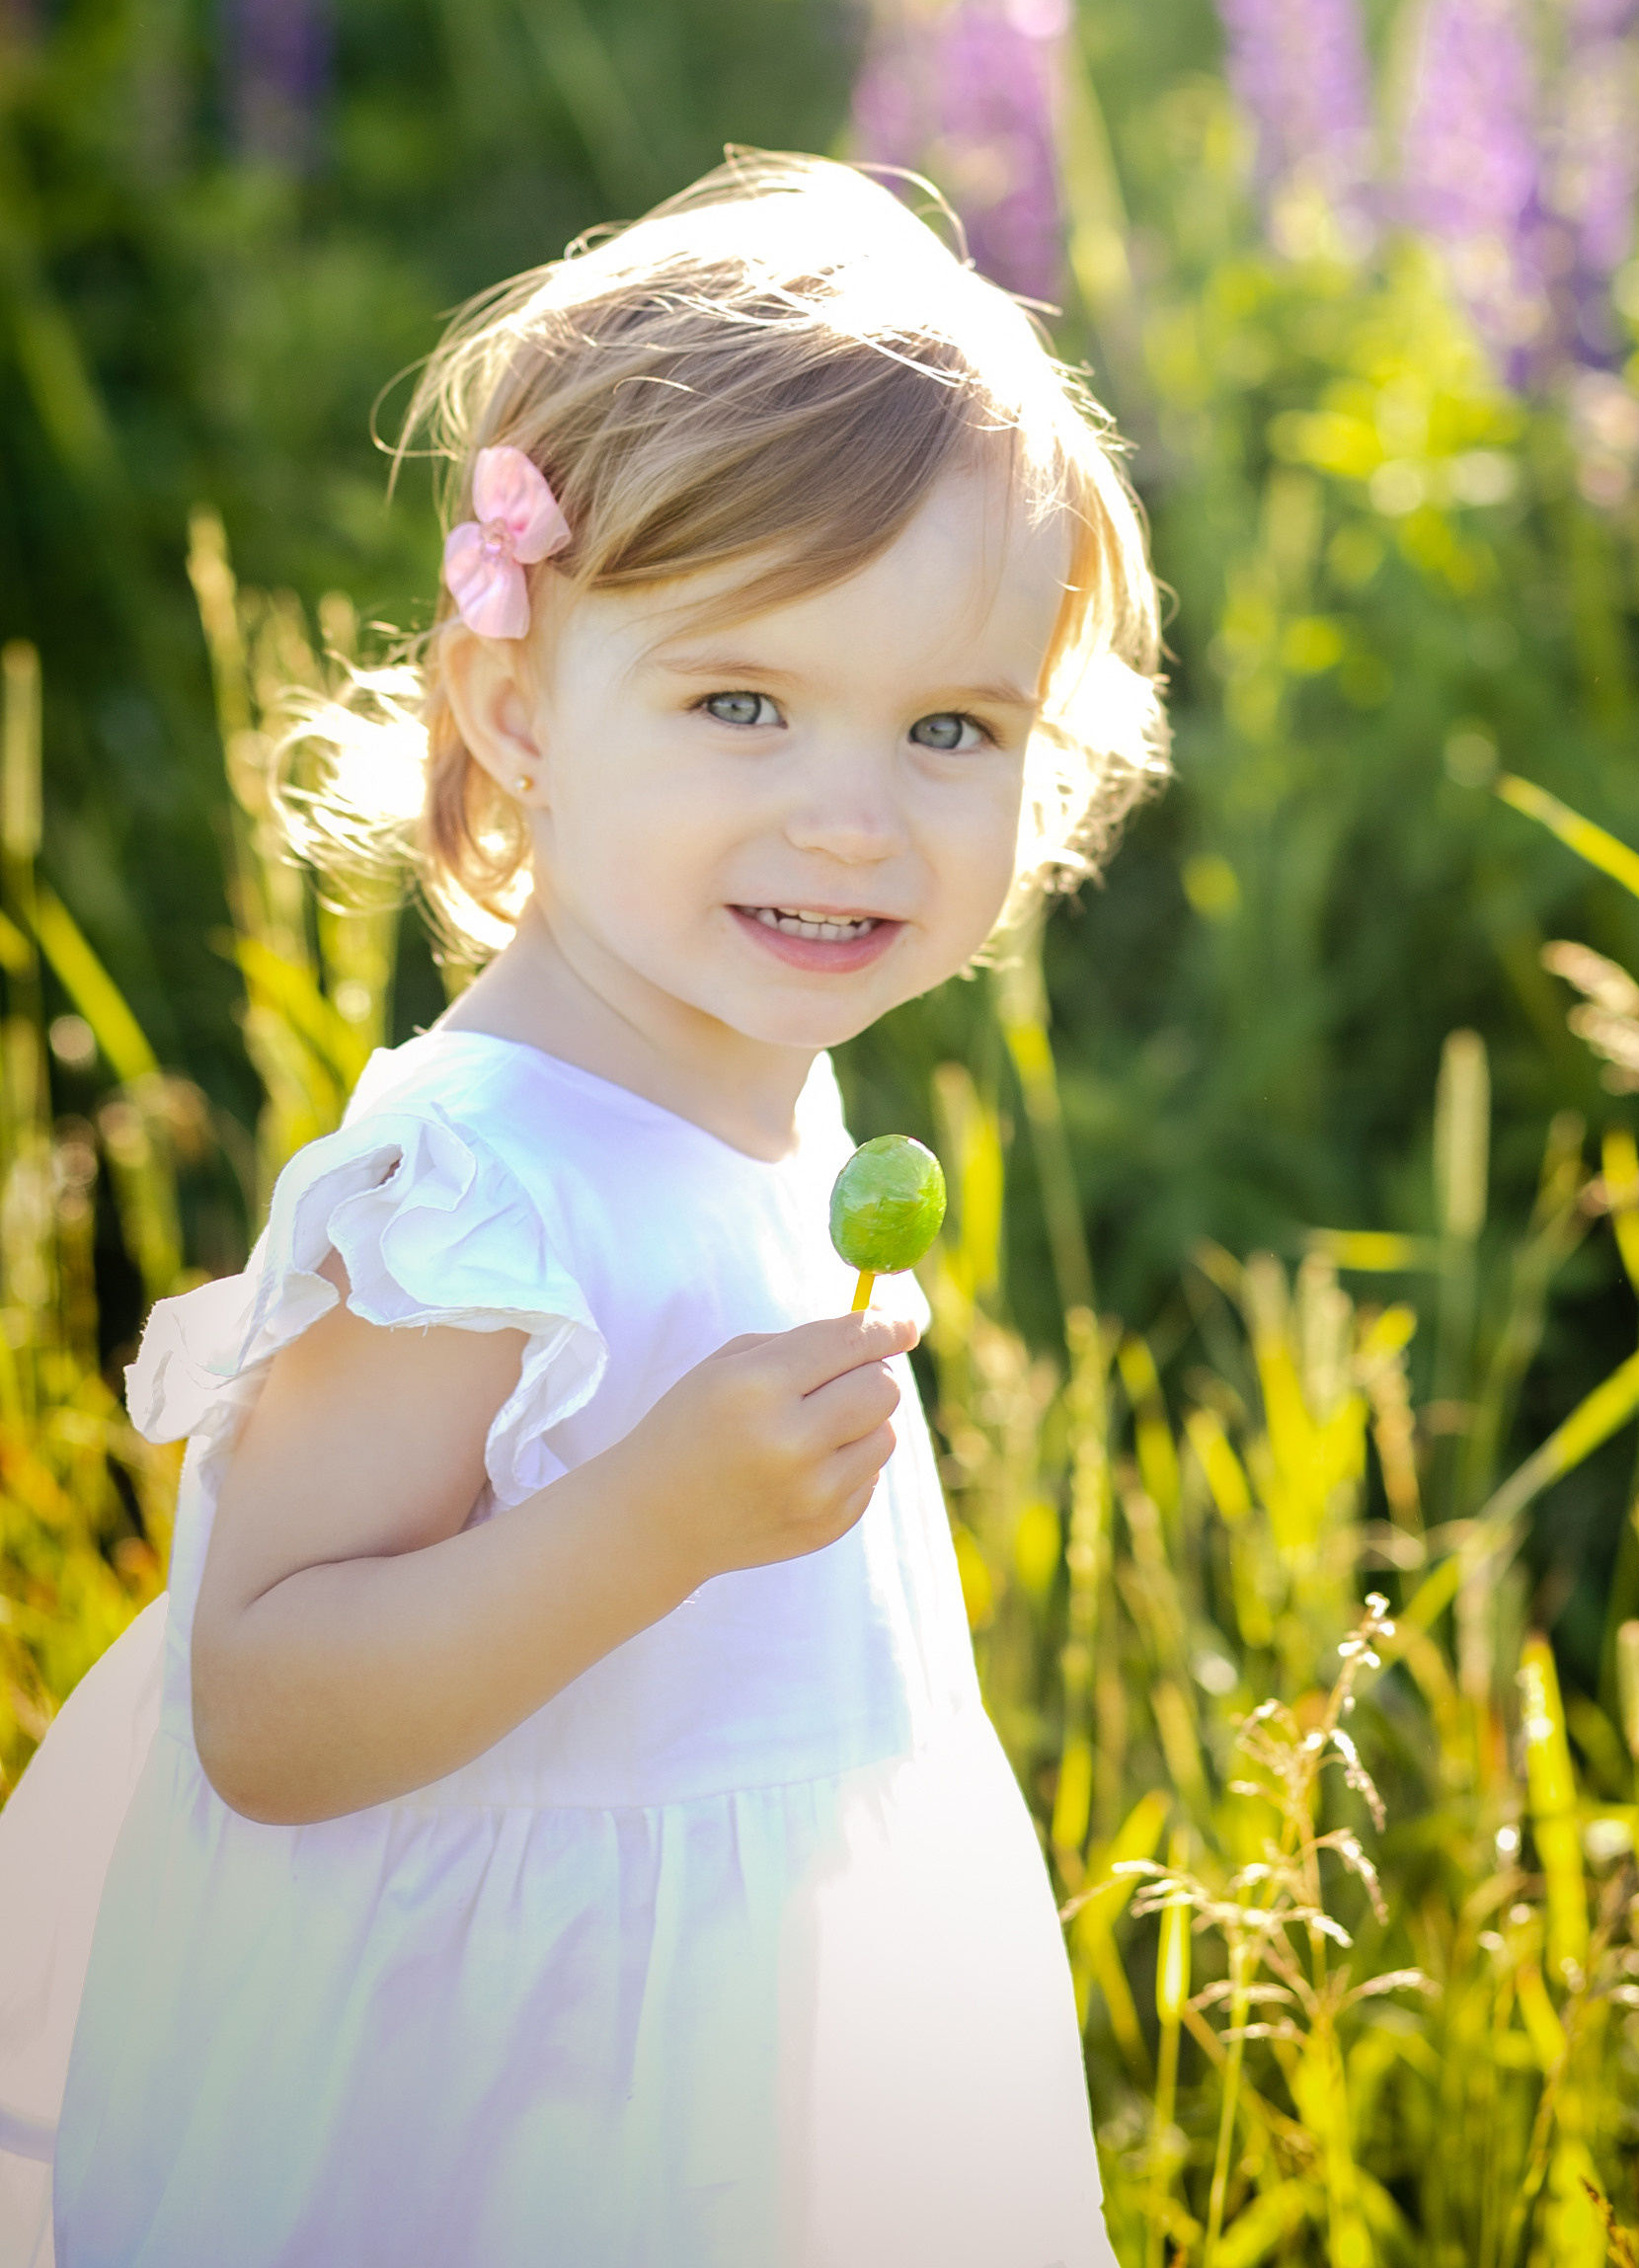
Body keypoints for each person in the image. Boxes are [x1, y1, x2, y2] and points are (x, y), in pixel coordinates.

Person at [0, 153, 1167, 2268]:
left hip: (759, 2041)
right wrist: (648, 1520)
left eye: (946, 728)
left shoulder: (772, 1118)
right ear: (517, 706)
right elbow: (260, 1709)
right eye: (743, 701)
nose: (850, 809)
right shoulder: (474, 1191)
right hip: (493, 2106)